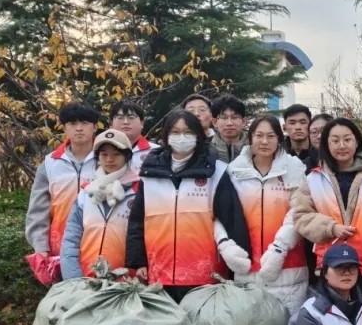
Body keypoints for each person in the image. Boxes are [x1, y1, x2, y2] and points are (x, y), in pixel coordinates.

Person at [126, 108, 247, 303]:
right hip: (159, 272)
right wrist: (137, 261)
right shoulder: (150, 173)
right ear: (166, 136)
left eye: (188, 132)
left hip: (205, 274)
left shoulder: (216, 172)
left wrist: (238, 262)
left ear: (198, 136)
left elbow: (232, 220)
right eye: (175, 132)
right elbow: (137, 221)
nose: (181, 137)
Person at [293, 117, 362, 300]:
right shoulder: (314, 179)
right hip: (332, 266)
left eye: (347, 139)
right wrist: (330, 228)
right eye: (335, 140)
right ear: (326, 144)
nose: (342, 145)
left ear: (357, 142)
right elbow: (301, 215)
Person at [217, 114, 310, 314]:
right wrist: (227, 247)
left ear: (279, 139)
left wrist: (279, 249)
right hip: (246, 266)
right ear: (250, 138)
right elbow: (221, 213)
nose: (264, 141)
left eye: (271, 136)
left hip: (289, 269)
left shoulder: (294, 170)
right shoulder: (234, 172)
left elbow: (299, 211)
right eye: (259, 135)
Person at [25, 101, 99, 263]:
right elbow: (38, 209)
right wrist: (41, 246)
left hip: (100, 244)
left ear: (94, 127)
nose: (79, 128)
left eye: (84, 123)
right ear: (64, 128)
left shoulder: (107, 160)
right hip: (60, 247)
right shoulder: (50, 163)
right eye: (72, 123)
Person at [60, 129, 138, 279]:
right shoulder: (86, 193)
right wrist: (73, 279)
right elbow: (71, 239)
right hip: (86, 279)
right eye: (104, 154)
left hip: (126, 281)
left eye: (116, 154)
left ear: (127, 156)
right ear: (97, 157)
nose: (109, 159)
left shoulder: (138, 192)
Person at [107, 101, 153, 169]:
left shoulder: (156, 152)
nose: (126, 122)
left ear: (142, 123)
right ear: (111, 124)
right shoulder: (100, 152)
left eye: (131, 117)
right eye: (120, 118)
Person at [211, 95, 249, 164]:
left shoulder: (255, 146)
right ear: (215, 122)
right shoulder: (204, 149)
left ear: (244, 121)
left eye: (235, 117)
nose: (229, 123)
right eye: (224, 118)